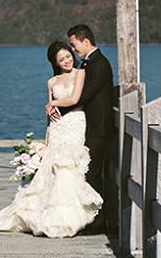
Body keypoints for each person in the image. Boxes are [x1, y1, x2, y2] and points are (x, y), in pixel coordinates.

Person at [0, 40, 103, 238]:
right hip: (57, 128)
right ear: (55, 62)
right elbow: (49, 114)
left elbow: (75, 99)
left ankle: (71, 218)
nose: (67, 61)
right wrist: (47, 137)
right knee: (51, 167)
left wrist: (53, 103)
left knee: (68, 167)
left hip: (74, 123)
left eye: (68, 56)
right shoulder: (52, 82)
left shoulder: (80, 73)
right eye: (61, 59)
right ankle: (49, 215)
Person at [52, 24, 114, 234]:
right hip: (90, 126)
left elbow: (85, 96)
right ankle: (93, 218)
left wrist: (58, 110)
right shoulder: (89, 63)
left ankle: (99, 221)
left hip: (100, 127)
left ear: (85, 41)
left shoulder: (100, 64)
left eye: (74, 44)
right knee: (89, 172)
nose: (73, 49)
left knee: (92, 173)